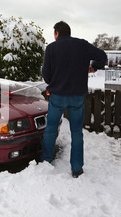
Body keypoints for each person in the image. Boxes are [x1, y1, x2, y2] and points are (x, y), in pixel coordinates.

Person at [41, 21, 107, 178]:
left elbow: (46, 74)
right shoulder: (82, 45)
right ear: (68, 32)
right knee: (77, 132)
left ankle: (46, 162)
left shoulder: (51, 48)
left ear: (57, 33)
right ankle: (77, 169)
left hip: (57, 96)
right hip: (77, 97)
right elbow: (102, 56)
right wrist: (94, 67)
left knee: (50, 129)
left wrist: (52, 81)